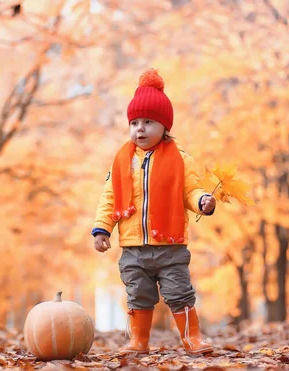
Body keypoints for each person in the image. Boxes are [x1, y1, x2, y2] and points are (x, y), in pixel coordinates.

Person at [91, 68, 216, 355]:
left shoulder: (181, 160)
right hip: (133, 247)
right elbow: (109, 197)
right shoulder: (122, 161)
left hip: (170, 246)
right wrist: (101, 228)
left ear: (164, 126)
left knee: (179, 293)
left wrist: (203, 202)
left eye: (148, 122)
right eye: (134, 122)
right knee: (138, 294)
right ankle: (138, 341)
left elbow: (190, 192)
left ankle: (191, 338)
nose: (140, 129)